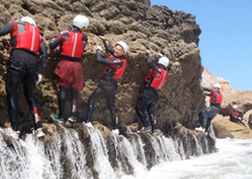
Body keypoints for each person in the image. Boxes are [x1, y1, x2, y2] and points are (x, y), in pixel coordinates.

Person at [0, 16, 48, 139]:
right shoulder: (38, 34)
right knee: (31, 97)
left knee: (12, 93)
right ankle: (39, 128)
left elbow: (1, 31)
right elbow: (45, 54)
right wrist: (41, 73)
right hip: (32, 63)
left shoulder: (16, 23)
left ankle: (15, 129)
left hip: (17, 58)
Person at [49, 15, 89, 123]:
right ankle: (73, 115)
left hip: (65, 64)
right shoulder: (85, 38)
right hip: (77, 65)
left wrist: (50, 41)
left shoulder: (64, 33)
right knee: (75, 90)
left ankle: (61, 116)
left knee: (63, 89)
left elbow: (53, 45)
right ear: (83, 27)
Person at [85, 36, 128, 134]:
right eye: (116, 48)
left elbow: (99, 60)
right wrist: (105, 40)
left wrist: (98, 50)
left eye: (119, 50)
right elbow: (110, 49)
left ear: (123, 52)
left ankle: (88, 122)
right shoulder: (119, 57)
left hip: (106, 85)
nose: (116, 50)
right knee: (111, 105)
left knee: (92, 100)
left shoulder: (117, 61)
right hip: (113, 86)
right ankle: (115, 128)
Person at [135, 51, 169, 134]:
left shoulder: (158, 70)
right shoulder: (166, 72)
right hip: (156, 94)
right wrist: (161, 57)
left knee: (138, 108)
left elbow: (149, 62)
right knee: (150, 110)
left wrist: (149, 54)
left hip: (149, 92)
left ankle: (146, 126)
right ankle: (154, 129)